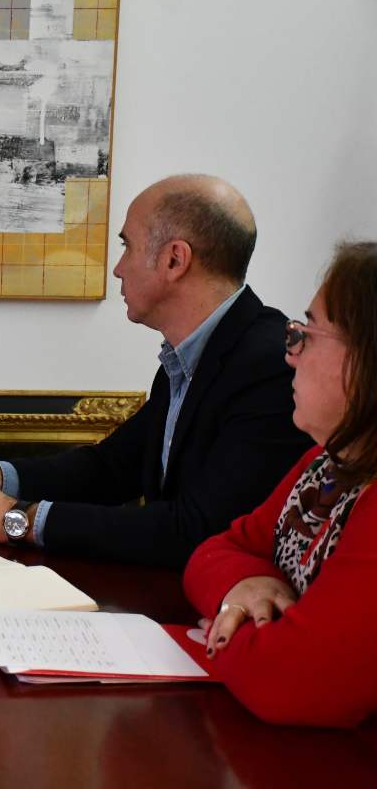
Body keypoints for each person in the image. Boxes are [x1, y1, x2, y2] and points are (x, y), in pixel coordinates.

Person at [0, 174, 310, 567]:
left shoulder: (269, 365)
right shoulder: (190, 353)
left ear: (175, 259)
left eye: (127, 247)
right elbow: (112, 468)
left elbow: (196, 529)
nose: (118, 269)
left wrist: (14, 520)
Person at [184, 242, 377, 727]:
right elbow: (212, 552)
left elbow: (292, 683)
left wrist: (223, 631)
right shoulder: (324, 465)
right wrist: (241, 590)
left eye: (305, 335)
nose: (289, 356)